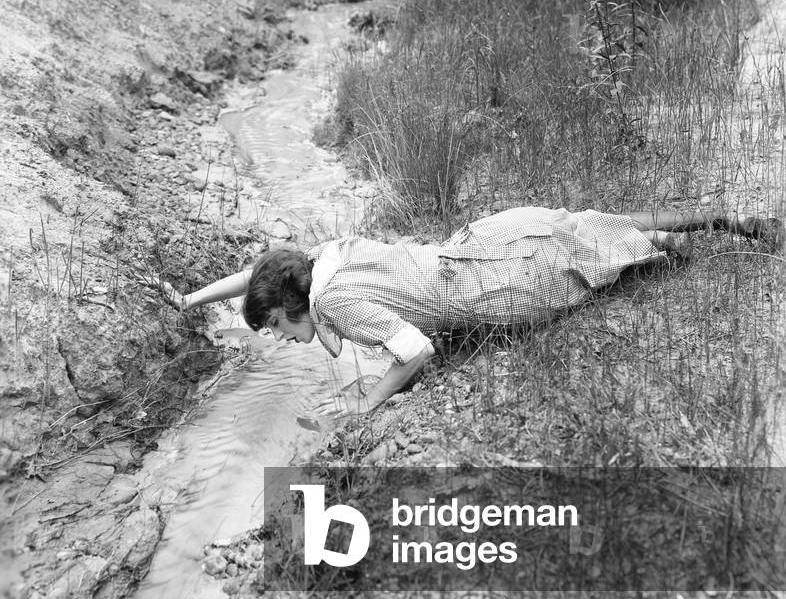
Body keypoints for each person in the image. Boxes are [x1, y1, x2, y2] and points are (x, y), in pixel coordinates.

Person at [163, 205, 781, 418]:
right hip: (484, 240)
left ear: (292, 304)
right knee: (590, 225)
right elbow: (259, 275)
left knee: (598, 257)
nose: (279, 337)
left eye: (273, 325)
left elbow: (416, 351)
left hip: (501, 289)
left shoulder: (334, 302)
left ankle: (671, 249)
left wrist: (362, 402)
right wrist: (192, 298)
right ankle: (726, 218)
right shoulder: (323, 259)